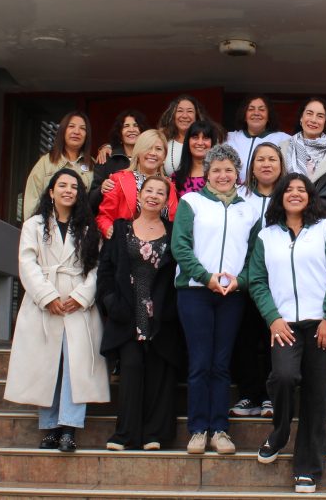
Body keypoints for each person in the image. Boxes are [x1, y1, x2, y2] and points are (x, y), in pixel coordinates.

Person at [248, 173, 326, 494]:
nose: (294, 194)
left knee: (316, 396)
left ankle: (308, 469)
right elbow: (257, 280)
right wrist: (273, 319)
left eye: (300, 190)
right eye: (288, 190)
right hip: (285, 325)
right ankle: (279, 433)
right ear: (279, 197)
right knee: (283, 377)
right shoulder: (266, 236)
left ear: (310, 196)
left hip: (324, 324)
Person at [4, 169, 107, 453]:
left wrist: (81, 296)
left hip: (76, 303)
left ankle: (69, 428)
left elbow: (98, 267)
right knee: (47, 364)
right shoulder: (34, 225)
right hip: (44, 303)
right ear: (51, 191)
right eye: (62, 185)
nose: (68, 190)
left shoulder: (88, 228)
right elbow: (27, 263)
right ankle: (49, 427)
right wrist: (47, 296)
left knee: (75, 365)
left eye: (74, 186)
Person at [171, 144, 260, 455]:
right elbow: (180, 246)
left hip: (231, 295)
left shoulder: (248, 208)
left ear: (237, 174)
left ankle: (220, 429)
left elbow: (254, 256)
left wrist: (241, 280)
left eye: (229, 170)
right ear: (206, 173)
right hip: (195, 292)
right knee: (199, 362)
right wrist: (205, 276)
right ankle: (197, 429)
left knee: (221, 364)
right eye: (217, 169)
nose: (223, 175)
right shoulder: (191, 202)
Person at [97, 174, 184, 451]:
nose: (154, 196)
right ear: (139, 194)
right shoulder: (121, 230)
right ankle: (125, 435)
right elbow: (106, 270)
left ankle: (154, 435)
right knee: (132, 369)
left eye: (161, 193)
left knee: (159, 372)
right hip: (127, 310)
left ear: (166, 201)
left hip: (161, 313)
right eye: (149, 190)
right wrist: (111, 302)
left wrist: (170, 309)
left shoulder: (174, 232)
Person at [229, 142, 286, 419]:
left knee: (274, 339)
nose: (266, 164)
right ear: (251, 166)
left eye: (272, 159)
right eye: (260, 159)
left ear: (281, 165)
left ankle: (271, 397)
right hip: (244, 279)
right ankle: (249, 394)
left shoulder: (290, 194)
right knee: (246, 338)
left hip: (280, 281)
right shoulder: (239, 195)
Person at [96, 130, 179, 239]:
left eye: (158, 149)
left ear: (164, 156)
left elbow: (174, 221)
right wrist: (109, 230)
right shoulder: (119, 179)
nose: (153, 153)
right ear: (138, 152)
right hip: (125, 246)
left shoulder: (170, 186)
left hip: (161, 249)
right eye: (148, 147)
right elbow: (104, 217)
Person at [22, 111, 95, 221]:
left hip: (80, 229)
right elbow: (32, 199)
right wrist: (31, 228)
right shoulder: (46, 162)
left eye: (82, 128)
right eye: (71, 126)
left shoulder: (93, 165)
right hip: (48, 228)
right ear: (63, 131)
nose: (77, 131)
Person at [281, 97, 326, 213]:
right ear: (301, 118)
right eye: (309, 113)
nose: (313, 120)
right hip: (288, 217)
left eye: (320, 116)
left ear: (325, 122)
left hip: (324, 218)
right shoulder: (282, 149)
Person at [90, 109, 148, 210]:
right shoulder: (107, 158)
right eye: (126, 126)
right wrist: (101, 189)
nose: (131, 129)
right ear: (119, 134)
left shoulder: (151, 158)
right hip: (115, 221)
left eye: (136, 125)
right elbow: (91, 200)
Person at [225, 94, 290, 184]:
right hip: (233, 194)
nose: (256, 113)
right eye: (251, 109)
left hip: (271, 193)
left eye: (262, 109)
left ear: (269, 116)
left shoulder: (284, 139)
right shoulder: (228, 138)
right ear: (244, 115)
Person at [158, 94, 211, 176]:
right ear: (173, 115)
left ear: (196, 115)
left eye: (190, 111)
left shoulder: (208, 142)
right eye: (180, 111)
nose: (185, 116)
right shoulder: (163, 141)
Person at [172, 120, 222, 197]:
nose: (200, 143)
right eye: (195, 137)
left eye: (205, 138)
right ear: (188, 142)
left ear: (212, 143)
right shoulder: (176, 178)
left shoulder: (222, 175)